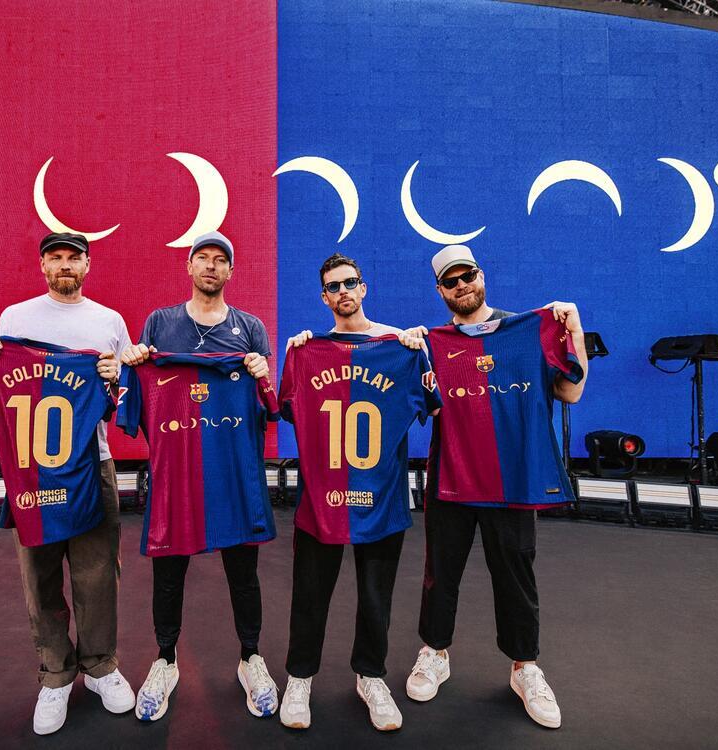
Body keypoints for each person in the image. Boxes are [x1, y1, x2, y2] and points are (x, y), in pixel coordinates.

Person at [402, 244, 587, 730]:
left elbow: (571, 390)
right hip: (452, 477)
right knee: (440, 573)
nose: (462, 285)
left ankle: (525, 667)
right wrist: (405, 349)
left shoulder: (528, 332)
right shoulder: (431, 344)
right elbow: (414, 403)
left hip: (513, 481)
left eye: (468, 276)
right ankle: (434, 652)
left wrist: (575, 330)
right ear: (440, 290)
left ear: (482, 276)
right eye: (451, 281)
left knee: (516, 575)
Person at [0, 231, 135, 735]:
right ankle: (56, 675)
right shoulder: (15, 318)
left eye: (74, 258)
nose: (65, 265)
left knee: (97, 570)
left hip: (92, 462)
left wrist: (113, 377)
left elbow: (127, 396)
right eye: (55, 257)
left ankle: (101, 666)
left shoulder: (109, 322)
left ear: (87, 264)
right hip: (31, 467)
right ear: (43, 265)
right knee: (39, 571)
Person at [119, 230, 279, 721]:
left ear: (231, 271)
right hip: (176, 476)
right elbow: (134, 399)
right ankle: (164, 661)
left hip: (234, 473)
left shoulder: (250, 328)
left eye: (220, 260)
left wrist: (260, 373)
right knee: (168, 575)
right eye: (202, 259)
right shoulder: (159, 324)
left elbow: (269, 406)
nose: (211, 266)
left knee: (243, 574)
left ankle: (251, 658)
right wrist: (133, 362)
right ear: (189, 268)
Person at [279, 253, 439, 732]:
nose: (343, 291)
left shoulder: (402, 345)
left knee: (376, 597)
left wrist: (419, 353)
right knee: (309, 595)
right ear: (324, 297)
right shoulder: (306, 350)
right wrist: (297, 353)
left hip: (381, 498)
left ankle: (371, 676)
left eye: (350, 282)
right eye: (333, 286)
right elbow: (288, 408)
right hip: (322, 501)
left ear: (363, 288)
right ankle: (299, 677)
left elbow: (433, 403)